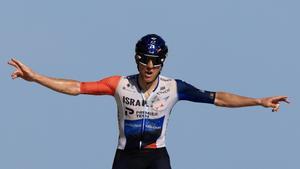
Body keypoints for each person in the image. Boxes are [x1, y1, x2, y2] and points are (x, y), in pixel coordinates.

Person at [8, 34, 289, 169]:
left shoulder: (174, 87)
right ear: (136, 60)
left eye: (156, 62)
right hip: (126, 158)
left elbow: (218, 98)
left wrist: (258, 100)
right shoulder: (119, 84)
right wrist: (36, 77)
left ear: (163, 63)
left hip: (156, 157)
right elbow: (76, 87)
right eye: (144, 60)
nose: (149, 66)